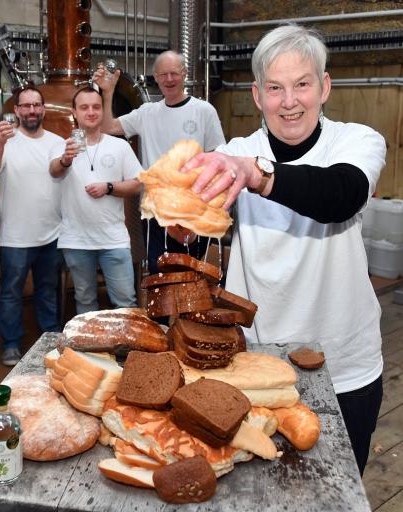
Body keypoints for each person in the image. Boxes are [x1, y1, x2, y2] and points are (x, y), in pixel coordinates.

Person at [177, 24, 385, 475]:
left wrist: (258, 175)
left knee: (340, 492)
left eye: (302, 85)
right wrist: (182, 219)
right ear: (257, 95)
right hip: (255, 363)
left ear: (324, 86)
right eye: (275, 88)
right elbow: (190, 225)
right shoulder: (236, 152)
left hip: (344, 365)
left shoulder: (356, 141)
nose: (289, 101)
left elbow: (341, 195)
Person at [94, 50, 226, 273]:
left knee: (192, 276)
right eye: (163, 74)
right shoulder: (147, 113)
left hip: (193, 210)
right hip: (156, 212)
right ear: (155, 77)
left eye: (174, 73)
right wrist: (107, 93)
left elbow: (218, 159)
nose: (169, 79)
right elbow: (108, 127)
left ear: (184, 74)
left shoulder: (204, 111)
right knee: (159, 275)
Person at [0, 85, 63, 366]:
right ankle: (11, 343)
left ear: (43, 109)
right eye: (25, 105)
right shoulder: (6, 141)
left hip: (50, 232)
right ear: (16, 110)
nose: (31, 110)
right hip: (15, 236)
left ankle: (51, 337)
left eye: (36, 105)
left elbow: (58, 168)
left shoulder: (56, 141)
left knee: (47, 289)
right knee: (12, 293)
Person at [50, 87, 142, 313]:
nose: (90, 112)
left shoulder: (119, 146)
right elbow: (54, 172)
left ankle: (127, 348)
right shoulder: (62, 146)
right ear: (74, 112)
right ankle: (88, 349)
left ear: (102, 110)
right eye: (84, 107)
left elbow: (138, 183)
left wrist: (109, 187)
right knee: (85, 302)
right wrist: (65, 160)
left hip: (114, 239)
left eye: (96, 107)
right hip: (76, 240)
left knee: (125, 303)